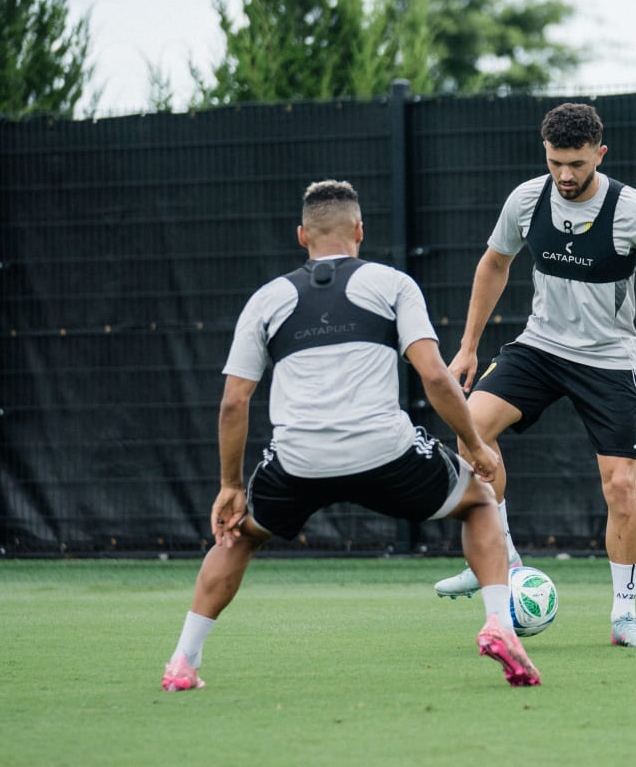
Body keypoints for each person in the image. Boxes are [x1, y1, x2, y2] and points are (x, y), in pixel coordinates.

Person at [161, 180, 540, 690]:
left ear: (302, 236)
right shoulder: (393, 284)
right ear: (360, 230)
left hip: (298, 461)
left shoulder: (267, 299)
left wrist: (230, 487)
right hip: (386, 451)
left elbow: (233, 402)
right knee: (478, 502)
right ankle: (499, 626)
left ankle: (183, 663)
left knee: (237, 535)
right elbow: (434, 376)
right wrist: (474, 447)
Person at [434, 103, 636, 648]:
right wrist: (467, 348)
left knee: (621, 486)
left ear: (599, 155)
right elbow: (494, 264)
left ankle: (624, 617)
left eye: (577, 164)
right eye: (556, 161)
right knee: (470, 432)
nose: (565, 175)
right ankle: (502, 559)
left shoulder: (633, 211)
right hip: (538, 349)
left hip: (606, 362)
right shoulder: (526, 199)